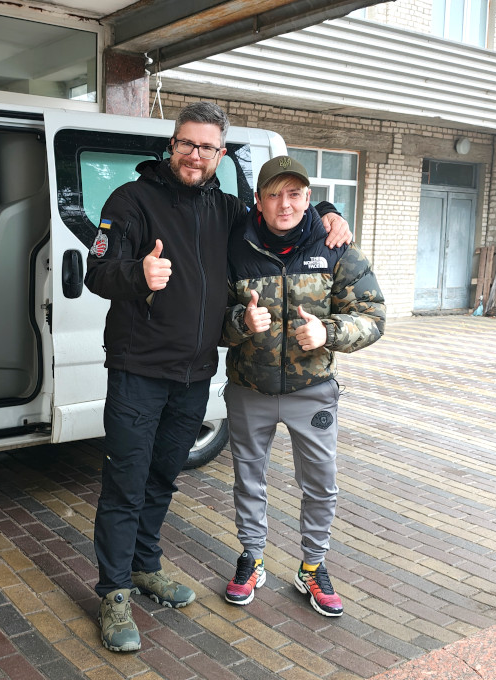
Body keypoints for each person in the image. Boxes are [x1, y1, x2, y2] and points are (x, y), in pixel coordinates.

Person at [83, 102, 351, 652]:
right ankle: (112, 593)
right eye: (187, 143)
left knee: (162, 477)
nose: (196, 155)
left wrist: (327, 209)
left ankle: (146, 566)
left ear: (220, 155)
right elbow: (97, 271)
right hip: (139, 369)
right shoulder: (130, 200)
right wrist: (138, 272)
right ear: (172, 145)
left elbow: (281, 212)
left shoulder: (228, 210)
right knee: (125, 483)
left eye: (207, 147)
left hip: (195, 373)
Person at [221, 155, 385, 617]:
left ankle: (312, 566)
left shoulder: (335, 246)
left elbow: (374, 317)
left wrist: (328, 333)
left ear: (309, 198)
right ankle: (252, 559)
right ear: (259, 200)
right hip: (249, 389)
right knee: (248, 480)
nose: (284, 204)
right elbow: (207, 319)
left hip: (313, 391)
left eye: (294, 194)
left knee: (320, 484)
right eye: (274, 194)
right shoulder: (235, 245)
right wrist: (239, 321)